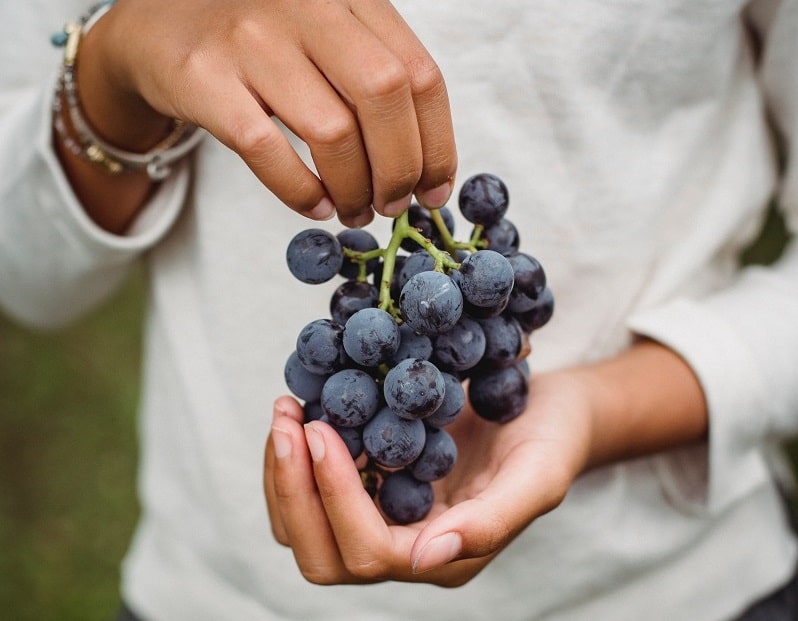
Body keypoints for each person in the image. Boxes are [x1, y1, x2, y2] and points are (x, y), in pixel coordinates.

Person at [1, 0, 797, 619]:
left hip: (682, 593)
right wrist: (116, 62)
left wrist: (601, 411)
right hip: (207, 592)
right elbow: (24, 275)